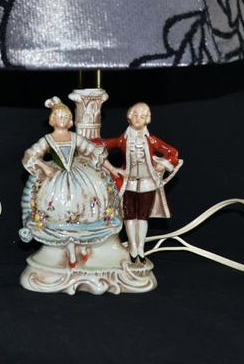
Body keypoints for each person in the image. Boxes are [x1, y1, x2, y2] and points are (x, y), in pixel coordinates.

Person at [19, 98, 123, 268]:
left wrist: (112, 169)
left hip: (80, 175)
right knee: (60, 210)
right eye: (59, 116)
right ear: (53, 119)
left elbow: (93, 151)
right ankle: (70, 252)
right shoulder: (47, 139)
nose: (62, 119)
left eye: (66, 117)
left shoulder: (74, 137)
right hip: (56, 179)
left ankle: (85, 245)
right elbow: (30, 155)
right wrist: (44, 167)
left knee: (88, 205)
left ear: (70, 120)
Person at [93, 102, 181, 264]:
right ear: (129, 117)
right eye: (135, 115)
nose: (138, 119)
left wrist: (163, 164)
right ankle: (132, 247)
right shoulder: (123, 140)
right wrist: (88, 144)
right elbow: (103, 144)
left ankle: (141, 248)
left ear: (147, 119)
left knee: (142, 217)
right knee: (129, 216)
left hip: (148, 184)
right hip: (129, 184)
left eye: (142, 116)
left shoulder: (151, 140)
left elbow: (173, 152)